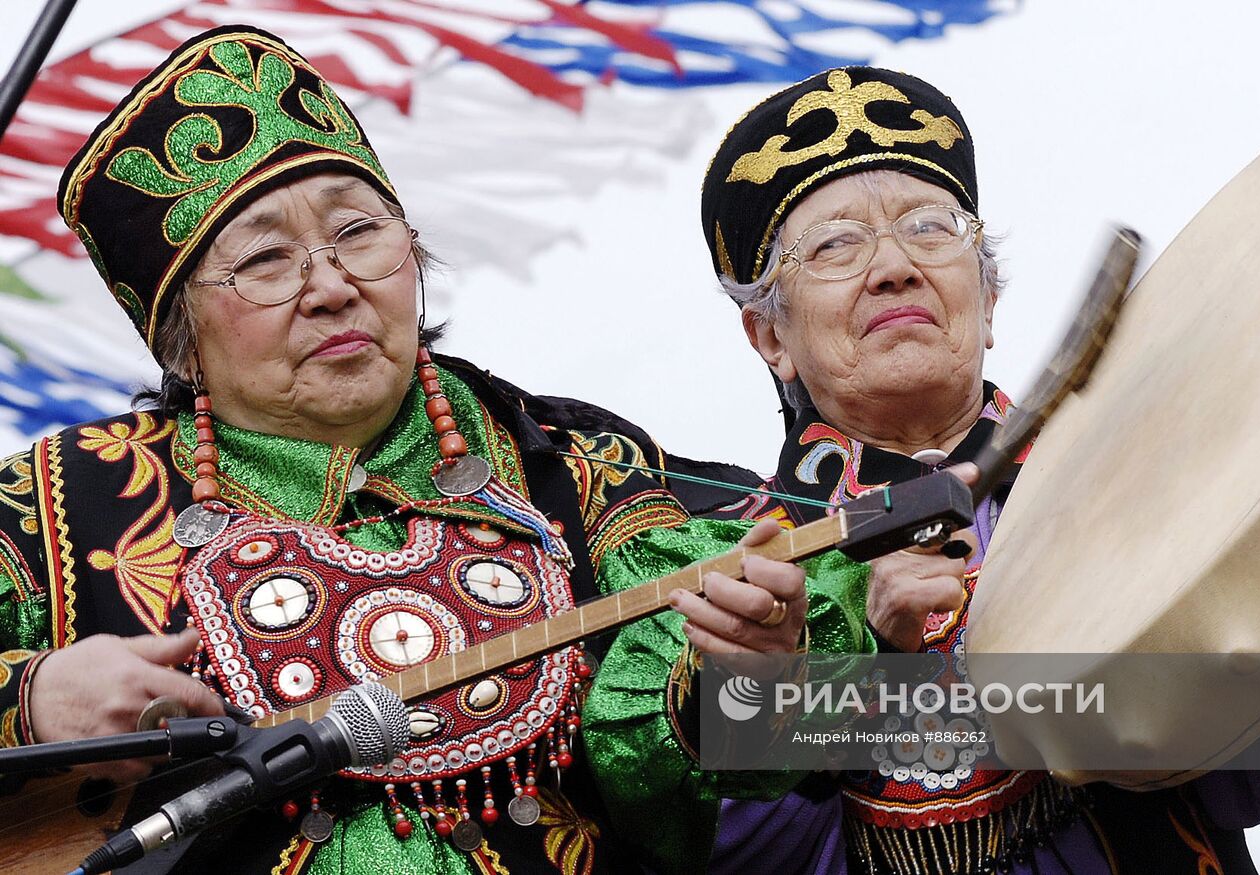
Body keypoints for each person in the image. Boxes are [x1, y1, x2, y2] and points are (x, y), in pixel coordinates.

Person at [0, 28, 875, 875]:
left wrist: (762, 677)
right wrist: (29, 702)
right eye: (266, 260)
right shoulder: (58, 501)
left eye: (359, 232)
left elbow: (884, 729)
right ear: (183, 338)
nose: (333, 286)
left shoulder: (576, 466)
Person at [694, 66, 1260, 874]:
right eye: (835, 245)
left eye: (929, 227)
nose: (894, 266)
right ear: (769, 337)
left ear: (988, 298)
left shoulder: (1130, 476)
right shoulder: (736, 572)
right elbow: (733, 850)